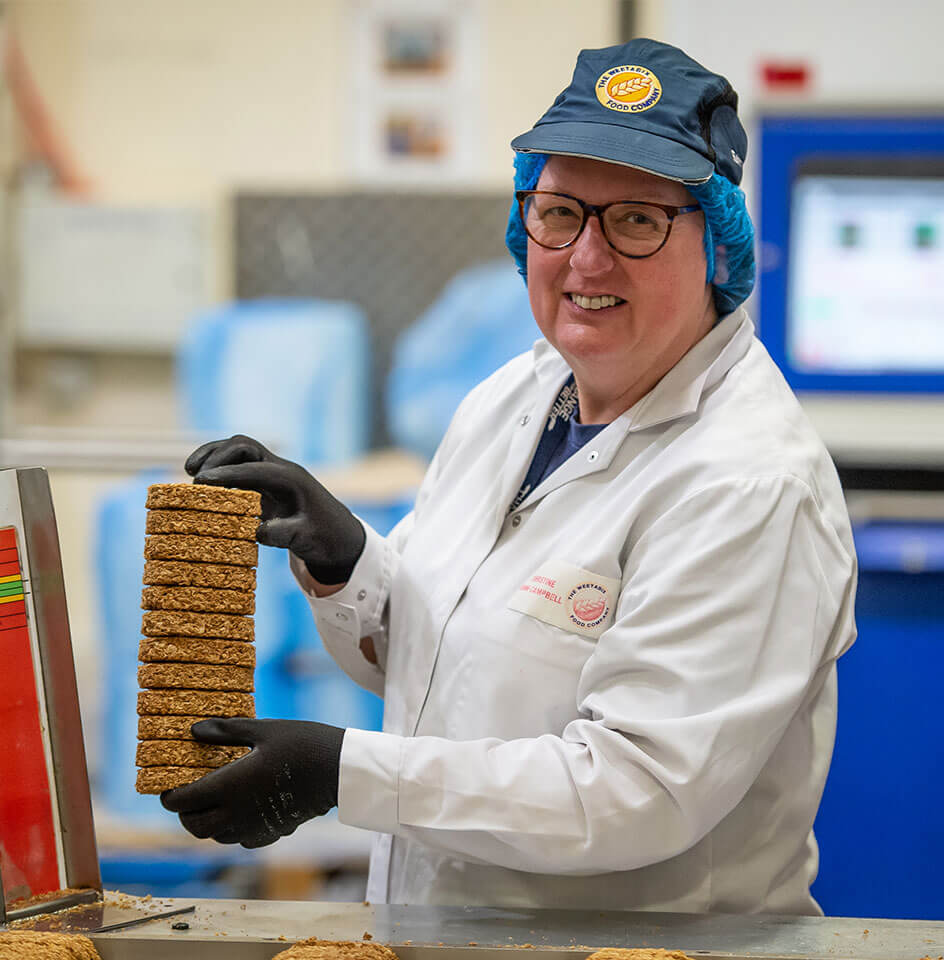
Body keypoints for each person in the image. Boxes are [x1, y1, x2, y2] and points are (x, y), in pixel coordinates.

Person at [162, 38, 857, 914]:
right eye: (560, 212)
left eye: (637, 219)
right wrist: (349, 567)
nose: (587, 259)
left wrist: (344, 771)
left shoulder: (749, 483)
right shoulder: (516, 397)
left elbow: (635, 790)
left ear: (718, 244)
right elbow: (441, 670)